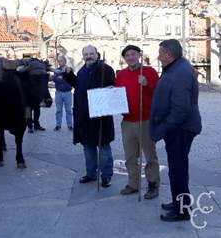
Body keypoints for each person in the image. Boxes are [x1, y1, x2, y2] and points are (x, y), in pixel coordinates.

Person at [150, 39, 201, 222]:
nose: (158, 57)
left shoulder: (180, 72)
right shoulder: (177, 67)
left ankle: (182, 210)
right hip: (179, 128)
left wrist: (165, 128)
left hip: (180, 129)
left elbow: (180, 109)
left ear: (169, 55)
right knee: (177, 168)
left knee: (178, 170)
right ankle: (180, 202)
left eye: (160, 53)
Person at [63, 45, 115, 188]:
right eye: (86, 54)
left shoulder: (106, 69)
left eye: (91, 54)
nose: (88, 56)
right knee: (88, 147)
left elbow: (111, 88)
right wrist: (68, 75)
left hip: (100, 116)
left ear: (97, 54)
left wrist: (109, 89)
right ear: (83, 56)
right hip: (84, 116)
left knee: (103, 148)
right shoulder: (82, 70)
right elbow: (79, 87)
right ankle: (91, 174)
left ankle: (106, 176)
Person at [115, 45, 160, 199]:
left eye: (133, 54)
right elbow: (117, 95)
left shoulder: (149, 72)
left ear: (139, 55)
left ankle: (153, 184)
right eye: (127, 55)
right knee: (130, 156)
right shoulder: (121, 74)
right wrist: (110, 92)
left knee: (149, 155)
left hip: (145, 120)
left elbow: (160, 92)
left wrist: (147, 84)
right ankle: (133, 184)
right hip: (127, 121)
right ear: (124, 58)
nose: (130, 57)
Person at [52, 55, 73, 131]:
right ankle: (58, 125)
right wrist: (61, 78)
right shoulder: (56, 71)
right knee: (58, 110)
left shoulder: (69, 70)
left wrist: (61, 78)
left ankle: (70, 125)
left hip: (68, 93)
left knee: (68, 110)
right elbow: (55, 79)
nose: (59, 62)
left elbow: (70, 80)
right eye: (58, 61)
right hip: (58, 93)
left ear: (65, 61)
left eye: (61, 61)